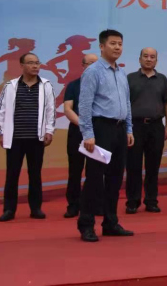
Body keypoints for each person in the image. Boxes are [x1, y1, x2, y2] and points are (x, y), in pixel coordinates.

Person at [77, 29, 135, 242]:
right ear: (102, 46)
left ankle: (110, 222)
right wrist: (88, 133)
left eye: (120, 43)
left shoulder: (121, 73)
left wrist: (129, 129)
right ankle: (86, 224)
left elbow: (126, 102)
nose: (117, 47)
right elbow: (85, 104)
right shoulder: (93, 71)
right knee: (94, 178)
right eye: (113, 43)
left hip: (119, 129)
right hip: (100, 129)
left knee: (115, 178)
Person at [0, 52, 56, 222]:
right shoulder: (10, 86)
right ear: (22, 65)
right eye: (30, 63)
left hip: (36, 138)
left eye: (37, 62)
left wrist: (49, 130)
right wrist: (1, 131)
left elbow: (51, 110)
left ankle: (36, 208)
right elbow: (1, 110)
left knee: (35, 174)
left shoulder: (46, 85)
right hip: (15, 137)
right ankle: (9, 210)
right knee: (12, 174)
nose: (35, 66)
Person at [125, 48, 167, 214]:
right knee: (133, 166)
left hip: (156, 127)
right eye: (145, 56)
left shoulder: (162, 79)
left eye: (152, 57)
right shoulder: (130, 78)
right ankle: (132, 201)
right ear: (139, 59)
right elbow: (124, 103)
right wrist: (126, 128)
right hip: (134, 127)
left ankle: (151, 201)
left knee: (153, 167)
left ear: (156, 61)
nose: (149, 59)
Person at [62, 53, 98, 218]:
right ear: (83, 66)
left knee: (95, 171)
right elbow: (68, 109)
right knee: (75, 170)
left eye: (96, 63)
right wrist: (84, 126)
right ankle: (73, 205)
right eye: (89, 63)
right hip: (78, 131)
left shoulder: (103, 85)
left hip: (99, 132)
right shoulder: (73, 85)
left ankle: (93, 204)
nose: (93, 66)